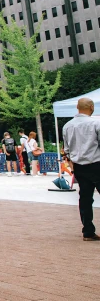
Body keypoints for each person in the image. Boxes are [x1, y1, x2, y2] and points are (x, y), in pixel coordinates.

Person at [61, 97, 100, 242]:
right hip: (96, 163)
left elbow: (66, 148)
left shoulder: (68, 126)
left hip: (79, 166)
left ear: (77, 107)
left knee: (85, 198)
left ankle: (88, 230)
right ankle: (89, 232)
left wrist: (72, 162)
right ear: (91, 107)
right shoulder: (96, 122)